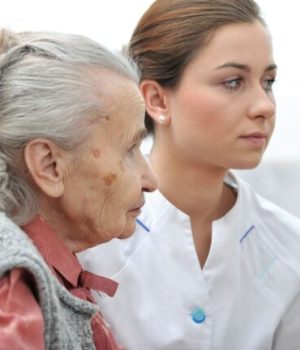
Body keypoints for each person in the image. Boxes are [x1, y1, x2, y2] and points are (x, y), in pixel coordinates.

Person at [78, 0, 300, 349]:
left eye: (268, 81)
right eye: (232, 82)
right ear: (157, 100)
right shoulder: (88, 241)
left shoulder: (289, 248)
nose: (265, 106)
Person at [0, 28, 157, 350]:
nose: (150, 180)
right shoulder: (13, 293)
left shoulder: (47, 275)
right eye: (130, 149)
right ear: (49, 165)